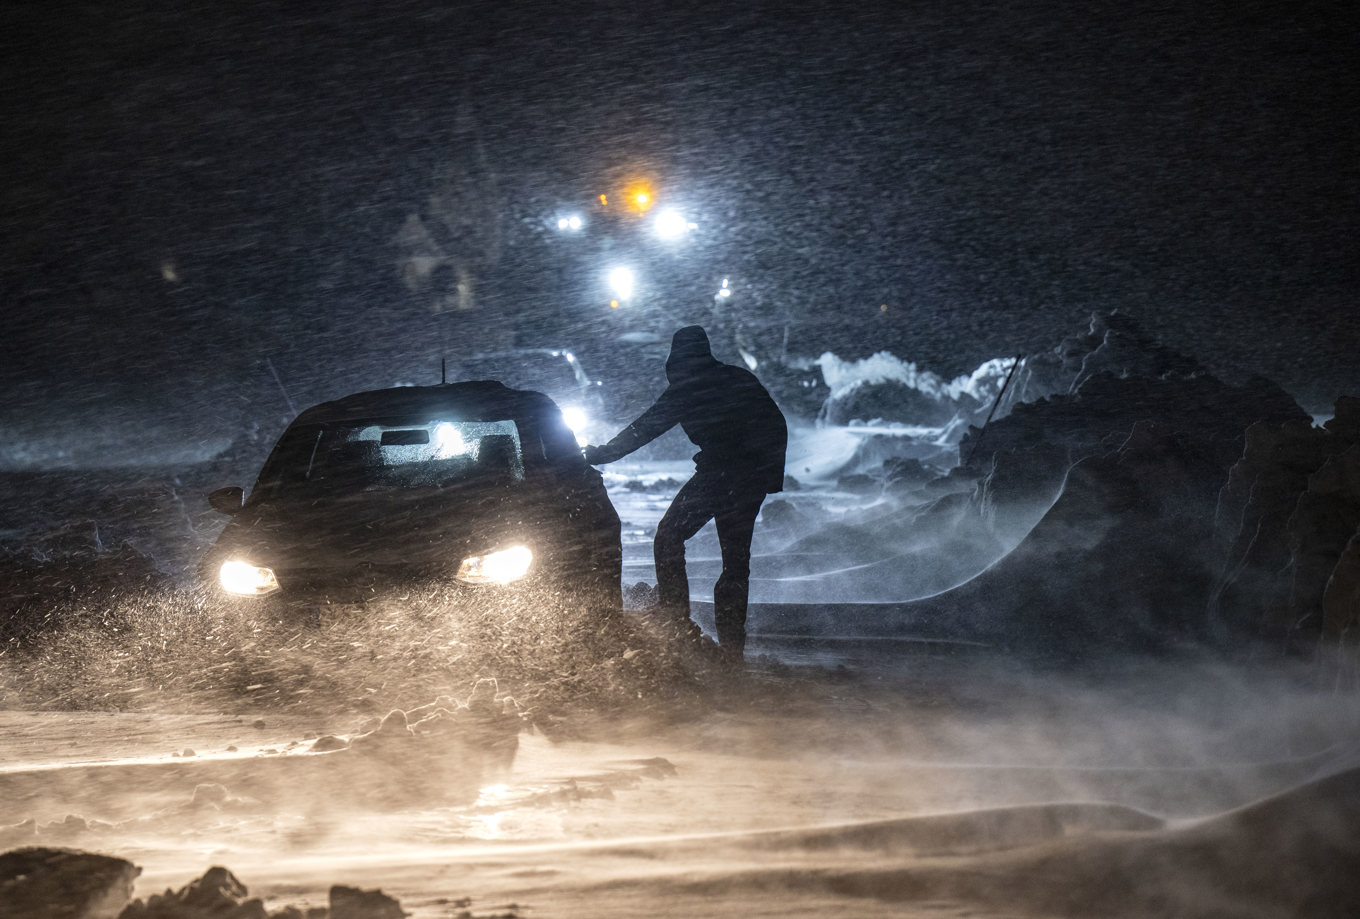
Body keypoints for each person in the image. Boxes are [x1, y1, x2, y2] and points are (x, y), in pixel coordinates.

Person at [584, 326, 787, 661]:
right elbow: (776, 424)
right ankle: (732, 651)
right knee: (736, 563)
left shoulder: (689, 387)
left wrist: (601, 453)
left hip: (721, 474)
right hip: (749, 478)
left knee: (668, 537)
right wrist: (764, 476)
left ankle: (676, 621)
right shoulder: (736, 378)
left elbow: (644, 428)